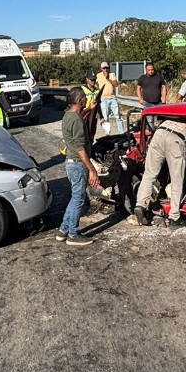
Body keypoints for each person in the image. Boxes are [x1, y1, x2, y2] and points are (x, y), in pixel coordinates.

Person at [58, 88, 99, 246]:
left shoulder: (69, 115)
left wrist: (90, 109)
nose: (85, 100)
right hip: (77, 164)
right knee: (79, 200)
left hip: (71, 163)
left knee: (75, 198)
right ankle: (73, 235)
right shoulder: (76, 120)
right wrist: (91, 169)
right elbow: (81, 150)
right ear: (79, 100)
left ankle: (63, 230)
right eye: (84, 98)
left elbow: (78, 118)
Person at [132, 119, 186, 228]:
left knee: (149, 174)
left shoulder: (172, 110)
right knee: (177, 180)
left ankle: (140, 205)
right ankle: (174, 217)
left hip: (160, 133)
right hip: (177, 138)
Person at [97, 62, 123, 134]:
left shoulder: (112, 74)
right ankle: (107, 133)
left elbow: (116, 84)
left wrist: (107, 78)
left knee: (117, 116)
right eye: (104, 68)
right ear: (101, 69)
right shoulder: (98, 76)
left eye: (106, 68)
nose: (105, 70)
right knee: (106, 118)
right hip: (103, 99)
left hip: (112, 98)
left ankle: (121, 133)